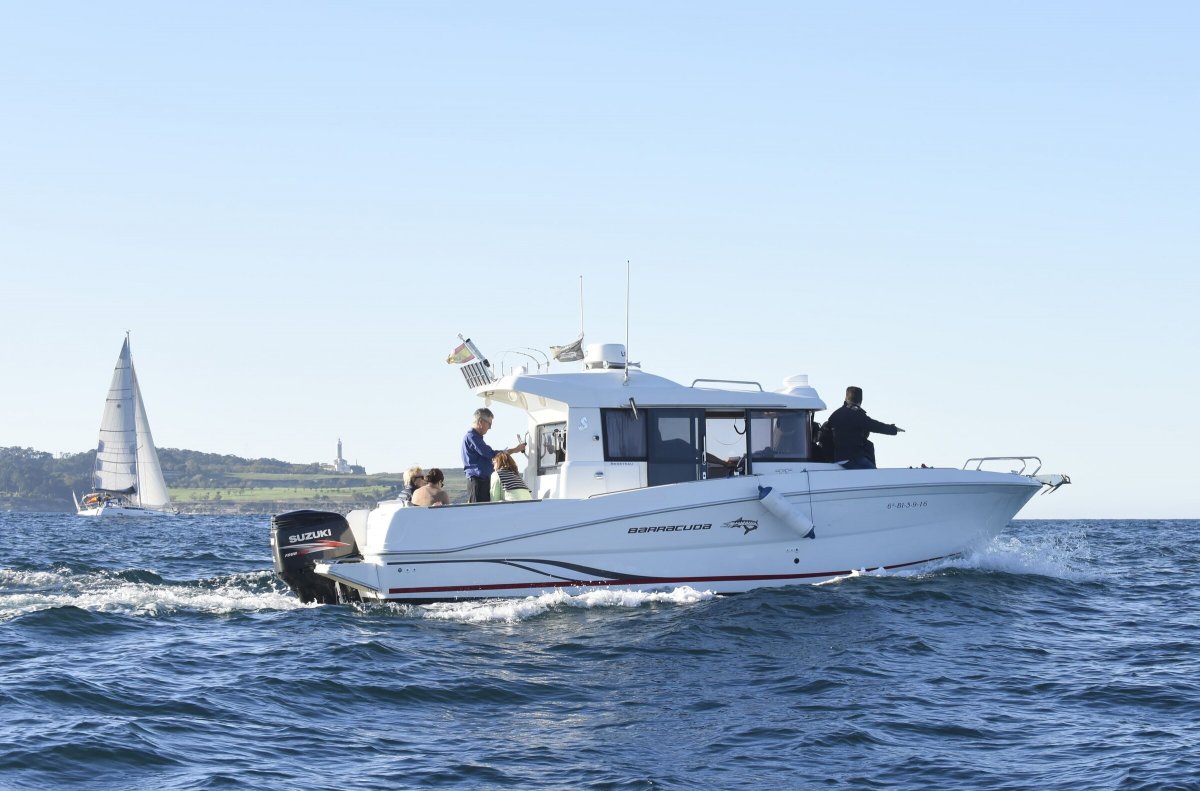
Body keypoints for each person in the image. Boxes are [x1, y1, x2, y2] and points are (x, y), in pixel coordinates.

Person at [817, 386, 904, 470]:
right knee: (875, 477)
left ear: (846, 398)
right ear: (860, 401)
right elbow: (875, 426)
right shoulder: (857, 415)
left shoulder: (834, 415)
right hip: (852, 459)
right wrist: (893, 429)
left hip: (837, 458)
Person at [461, 407, 526, 503]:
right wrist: (514, 450)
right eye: (489, 424)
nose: (490, 427)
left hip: (482, 482)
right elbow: (490, 454)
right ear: (480, 422)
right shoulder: (472, 437)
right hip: (478, 483)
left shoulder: (475, 438)